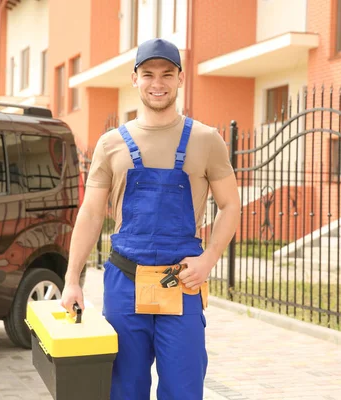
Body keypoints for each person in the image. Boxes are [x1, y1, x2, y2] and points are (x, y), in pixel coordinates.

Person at [61, 38, 241, 400]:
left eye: (166, 74)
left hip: (182, 284)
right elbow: (92, 213)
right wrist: (71, 280)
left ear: (180, 79)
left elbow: (231, 206)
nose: (157, 83)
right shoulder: (111, 143)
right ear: (134, 79)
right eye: (148, 74)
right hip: (125, 283)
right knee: (124, 388)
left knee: (184, 389)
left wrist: (208, 260)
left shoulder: (207, 140)